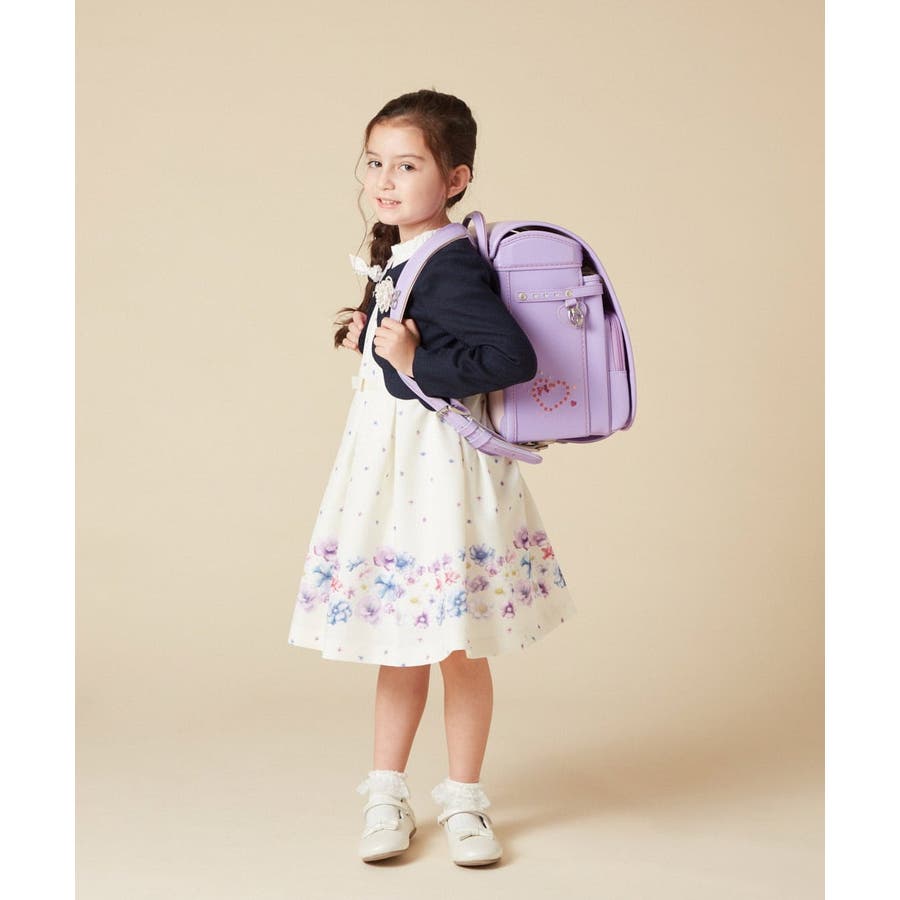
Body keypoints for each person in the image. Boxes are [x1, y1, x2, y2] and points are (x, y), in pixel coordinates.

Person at [287, 89, 578, 866]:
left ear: (454, 179)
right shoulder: (404, 251)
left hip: (439, 477)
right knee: (402, 639)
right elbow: (406, 335)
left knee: (456, 644)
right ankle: (387, 792)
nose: (384, 181)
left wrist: (415, 358)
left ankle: (463, 801)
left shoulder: (450, 259)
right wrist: (368, 332)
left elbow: (509, 358)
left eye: (407, 165)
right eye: (374, 163)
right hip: (398, 472)